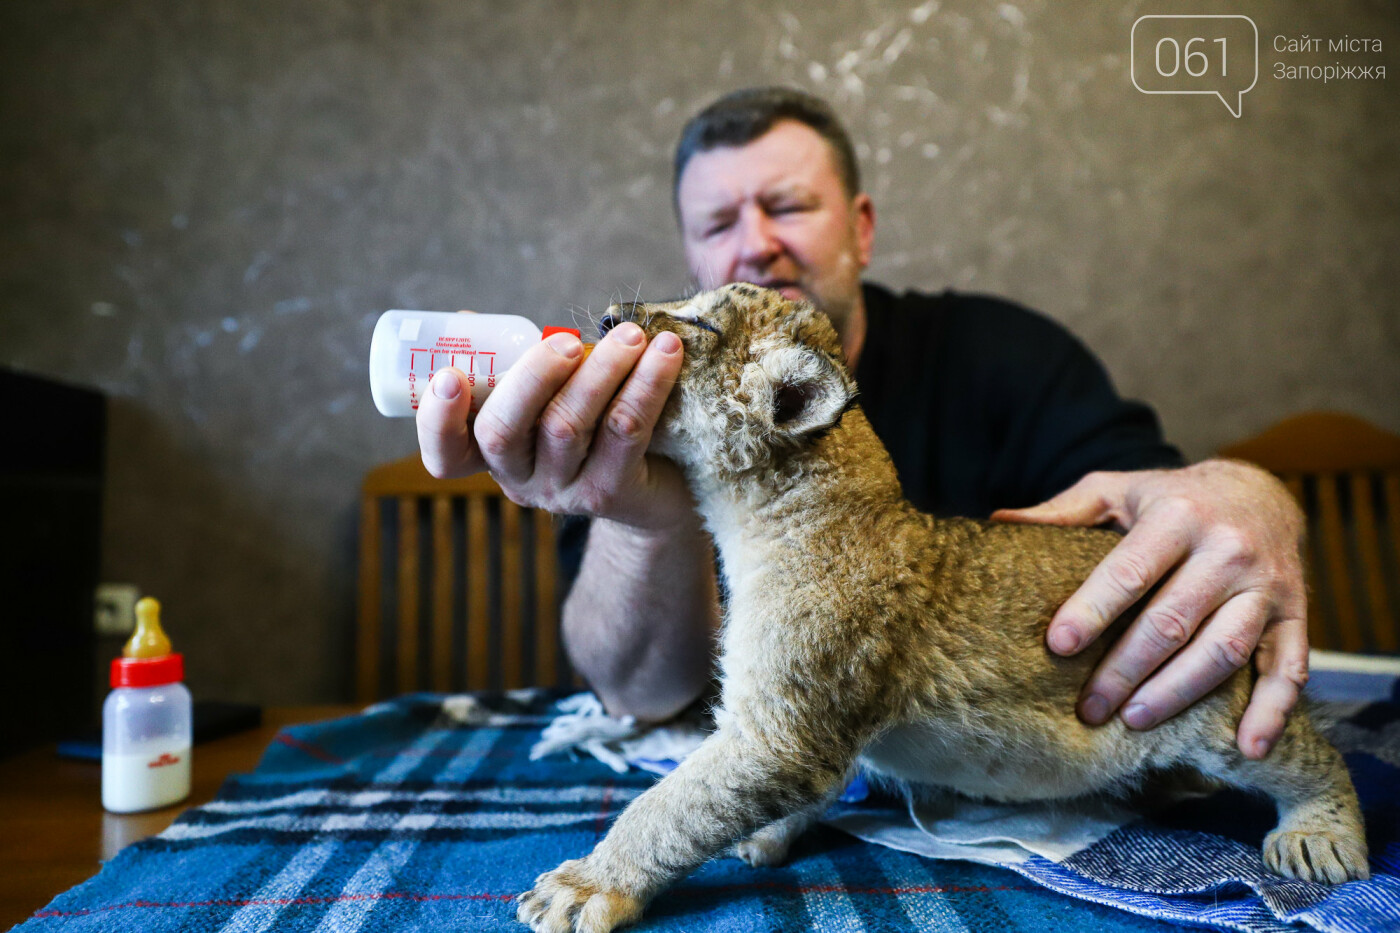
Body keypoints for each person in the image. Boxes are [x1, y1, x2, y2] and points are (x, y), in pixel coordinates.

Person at [416, 87, 1308, 761]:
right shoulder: (648, 414)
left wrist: (1251, 493)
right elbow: (636, 692)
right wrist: (646, 516)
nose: (754, 243)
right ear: (693, 256)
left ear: (862, 228)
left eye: (789, 205)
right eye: (718, 221)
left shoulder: (1002, 352)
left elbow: (1162, 504)